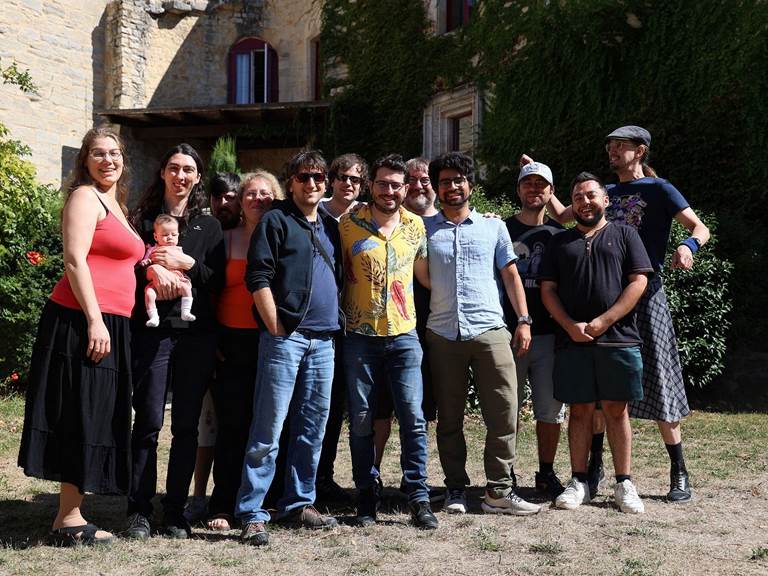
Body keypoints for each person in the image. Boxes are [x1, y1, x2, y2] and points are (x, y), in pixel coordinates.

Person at [545, 125, 710, 502]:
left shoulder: (660, 189)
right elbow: (564, 216)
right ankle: (594, 468)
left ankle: (679, 470)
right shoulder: (602, 192)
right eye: (610, 147)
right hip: (601, 297)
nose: (613, 152)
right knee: (596, 389)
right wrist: (542, 179)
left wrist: (688, 246)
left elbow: (699, 227)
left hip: (644, 293)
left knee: (661, 380)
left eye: (621, 146)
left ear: (640, 151)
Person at [18, 127, 144, 545]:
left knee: (95, 413)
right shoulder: (85, 198)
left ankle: (71, 511)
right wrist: (94, 319)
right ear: (85, 161)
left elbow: (124, 260)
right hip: (83, 320)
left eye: (115, 153)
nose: (109, 160)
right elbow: (74, 260)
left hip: (111, 321)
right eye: (99, 154)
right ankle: (68, 519)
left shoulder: (116, 204)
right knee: (80, 412)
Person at [424, 152, 540, 516]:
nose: (452, 186)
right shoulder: (422, 229)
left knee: (505, 412)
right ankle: (455, 488)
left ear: (470, 185)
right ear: (436, 188)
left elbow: (510, 275)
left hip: (490, 330)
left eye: (459, 180)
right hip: (443, 334)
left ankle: (498, 490)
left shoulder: (494, 227)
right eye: (445, 181)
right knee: (449, 417)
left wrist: (523, 320)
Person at [237, 150, 341, 547]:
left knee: (312, 428)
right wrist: (276, 327)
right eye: (303, 177)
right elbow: (258, 276)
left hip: (325, 340)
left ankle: (298, 503)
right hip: (287, 339)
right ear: (291, 182)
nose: (312, 183)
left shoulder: (330, 225)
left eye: (318, 177)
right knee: (268, 429)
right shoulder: (276, 220)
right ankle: (253, 512)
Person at [126, 144, 225, 540]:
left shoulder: (209, 225)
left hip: (196, 337)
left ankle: (174, 511)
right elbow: (126, 267)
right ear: (162, 173)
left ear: (198, 177)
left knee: (186, 426)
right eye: (173, 168)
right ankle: (138, 509)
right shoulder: (142, 219)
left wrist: (189, 265)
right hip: (152, 333)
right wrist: (152, 270)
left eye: (188, 169)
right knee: (148, 422)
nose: (180, 176)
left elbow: (216, 280)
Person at [540, 172, 653, 514]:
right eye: (577, 197)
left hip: (618, 339)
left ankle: (624, 483)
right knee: (580, 411)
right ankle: (579, 482)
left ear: (605, 200)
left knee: (617, 410)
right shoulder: (560, 242)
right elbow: (548, 290)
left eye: (590, 195)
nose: (584, 202)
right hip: (573, 341)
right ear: (571, 205)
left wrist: (605, 320)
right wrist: (569, 325)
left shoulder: (625, 234)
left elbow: (638, 282)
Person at [340, 153, 438, 530]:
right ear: (371, 185)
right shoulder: (348, 224)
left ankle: (418, 498)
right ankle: (366, 494)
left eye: (396, 185)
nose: (389, 191)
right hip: (360, 337)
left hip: (404, 335)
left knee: (413, 418)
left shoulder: (415, 226)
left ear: (405, 188)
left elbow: (426, 276)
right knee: (362, 419)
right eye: (382, 183)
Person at [205, 170, 284, 532]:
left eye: (265, 193)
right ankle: (223, 502)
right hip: (232, 343)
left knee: (270, 425)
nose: (257, 199)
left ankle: (267, 500)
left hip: (275, 341)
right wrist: (213, 340)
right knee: (233, 425)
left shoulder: (284, 236)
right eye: (250, 193)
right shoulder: (226, 239)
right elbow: (208, 292)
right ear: (240, 200)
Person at [371, 157, 441, 501]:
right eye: (411, 180)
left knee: (418, 410)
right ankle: (371, 476)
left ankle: (411, 480)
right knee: (379, 407)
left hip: (431, 328)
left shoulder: (444, 222)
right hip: (386, 327)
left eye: (425, 179)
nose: (418, 185)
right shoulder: (382, 218)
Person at [503, 162, 567, 500]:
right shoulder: (500, 229)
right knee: (507, 409)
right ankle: (506, 472)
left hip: (550, 335)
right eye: (527, 183)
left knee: (550, 411)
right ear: (518, 190)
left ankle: (546, 472)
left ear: (551, 192)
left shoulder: (560, 235)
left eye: (541, 184)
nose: (534, 189)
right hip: (507, 333)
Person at [183, 172, 241, 525]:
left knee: (233, 425)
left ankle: (230, 496)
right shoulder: (204, 231)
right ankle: (198, 495)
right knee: (206, 426)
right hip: (205, 335)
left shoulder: (248, 233)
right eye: (218, 197)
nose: (224, 203)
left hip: (236, 342)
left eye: (231, 196)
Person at [315, 153, 369, 505]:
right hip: (319, 321)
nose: (348, 184)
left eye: (356, 179)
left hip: (354, 324)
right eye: (343, 177)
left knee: (336, 406)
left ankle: (324, 476)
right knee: (313, 404)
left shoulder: (366, 216)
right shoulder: (314, 212)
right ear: (332, 180)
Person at [142, 214, 196, 327]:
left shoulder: (178, 250)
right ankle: (153, 317)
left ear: (178, 235)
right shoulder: (153, 249)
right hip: (157, 284)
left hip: (178, 280)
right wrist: (146, 262)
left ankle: (186, 311)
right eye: (165, 235)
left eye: (174, 234)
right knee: (149, 294)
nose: (170, 237)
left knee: (187, 288)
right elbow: (146, 261)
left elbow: (186, 263)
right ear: (156, 237)